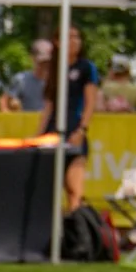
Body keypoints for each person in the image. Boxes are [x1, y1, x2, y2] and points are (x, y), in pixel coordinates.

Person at [41, 24, 98, 212]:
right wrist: (39, 133)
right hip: (52, 131)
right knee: (47, 190)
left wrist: (82, 129)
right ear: (57, 42)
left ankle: (77, 232)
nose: (75, 41)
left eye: (77, 37)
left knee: (74, 191)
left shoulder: (86, 68)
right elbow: (49, 104)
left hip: (74, 128)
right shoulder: (54, 69)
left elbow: (90, 101)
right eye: (69, 37)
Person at [2, 38, 53, 114]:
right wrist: (8, 112)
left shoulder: (57, 81)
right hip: (28, 122)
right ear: (32, 58)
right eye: (41, 62)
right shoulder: (21, 79)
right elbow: (4, 101)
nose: (44, 66)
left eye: (47, 63)